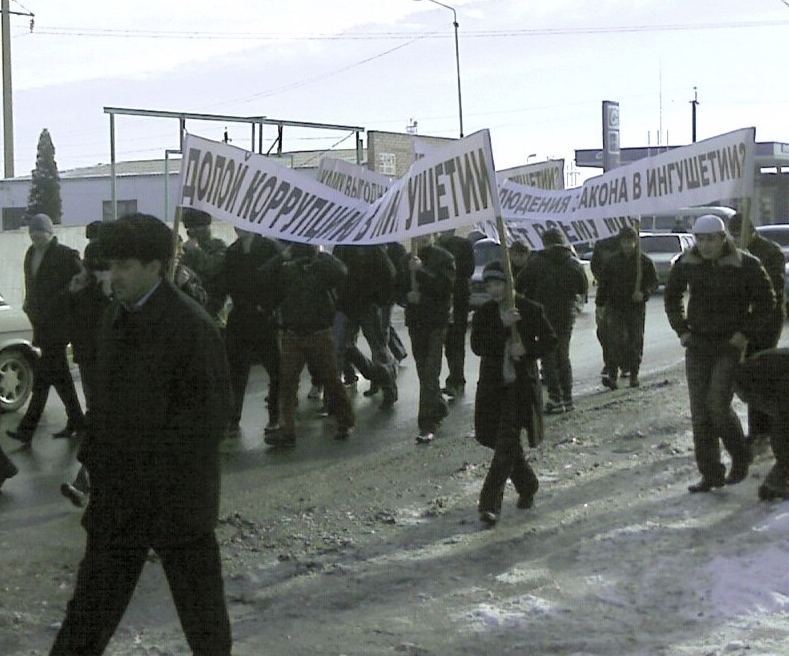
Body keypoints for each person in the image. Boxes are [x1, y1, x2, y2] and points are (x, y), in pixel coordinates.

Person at [50, 213, 233, 655]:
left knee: (202, 615)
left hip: (176, 500)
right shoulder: (115, 317)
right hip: (120, 501)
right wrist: (96, 459)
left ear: (155, 266)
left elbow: (208, 422)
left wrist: (155, 470)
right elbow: (106, 403)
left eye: (125, 266)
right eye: (111, 266)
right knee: (89, 612)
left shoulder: (191, 327)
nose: (114, 276)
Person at [664, 214, 775, 493]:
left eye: (710, 239)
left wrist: (745, 333)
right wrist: (682, 330)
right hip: (698, 344)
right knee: (700, 413)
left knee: (717, 405)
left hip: (728, 345)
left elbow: (766, 301)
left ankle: (740, 455)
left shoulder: (745, 264)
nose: (705, 245)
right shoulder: (686, 263)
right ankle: (710, 472)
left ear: (722, 238)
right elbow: (671, 296)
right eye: (700, 239)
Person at [471, 261, 557, 526]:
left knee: (506, 442)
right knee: (503, 443)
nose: (494, 290)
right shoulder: (485, 313)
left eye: (498, 283)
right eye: (489, 285)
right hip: (493, 387)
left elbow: (550, 340)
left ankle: (489, 504)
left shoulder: (529, 309)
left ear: (508, 284)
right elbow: (478, 346)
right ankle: (528, 484)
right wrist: (501, 324)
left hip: (519, 388)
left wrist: (527, 350)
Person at [260, 242, 354, 446]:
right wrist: (282, 257)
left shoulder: (321, 268)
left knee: (331, 379)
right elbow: (263, 275)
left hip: (318, 331)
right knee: (287, 383)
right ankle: (287, 431)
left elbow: (342, 271)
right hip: (293, 332)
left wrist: (321, 255)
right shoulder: (288, 270)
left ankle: (345, 421)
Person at [6, 213, 85, 444]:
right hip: (40, 322)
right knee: (59, 376)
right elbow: (30, 283)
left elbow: (81, 280)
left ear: (50, 234)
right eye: (33, 236)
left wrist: (63, 299)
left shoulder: (65, 255)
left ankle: (26, 430)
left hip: (58, 325)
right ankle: (77, 421)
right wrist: (28, 304)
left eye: (40, 236)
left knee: (43, 378)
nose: (36, 240)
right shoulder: (31, 253)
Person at [214, 228, 282, 438]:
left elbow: (280, 280)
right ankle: (233, 420)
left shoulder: (269, 247)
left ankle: (274, 416)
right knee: (236, 371)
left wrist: (268, 306)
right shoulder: (233, 251)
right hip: (240, 317)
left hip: (263, 317)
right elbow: (224, 284)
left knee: (275, 369)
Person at [60, 241, 113, 508]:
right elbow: (78, 323)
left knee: (104, 426)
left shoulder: (118, 294)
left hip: (117, 371)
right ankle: (84, 484)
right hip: (96, 364)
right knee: (101, 424)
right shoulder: (87, 291)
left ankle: (86, 484)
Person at [728, 212, 785, 443]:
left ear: (750, 231)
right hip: (744, 321)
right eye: (732, 235)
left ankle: (762, 431)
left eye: (738, 234)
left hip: (767, 321)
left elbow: (775, 286)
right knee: (748, 374)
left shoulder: (770, 252)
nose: (735, 239)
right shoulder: (732, 252)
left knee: (759, 370)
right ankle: (759, 429)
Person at [516, 228, 588, 413]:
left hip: (543, 314)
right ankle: (568, 398)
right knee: (563, 356)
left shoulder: (536, 262)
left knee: (548, 357)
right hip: (565, 314)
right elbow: (582, 287)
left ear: (544, 242)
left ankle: (556, 398)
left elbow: (519, 285)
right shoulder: (573, 263)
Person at [397, 237, 455, 443]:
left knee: (430, 372)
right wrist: (406, 297)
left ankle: (427, 423)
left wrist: (421, 272)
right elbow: (398, 287)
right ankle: (438, 406)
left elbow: (446, 288)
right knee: (424, 373)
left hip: (435, 324)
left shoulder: (444, 258)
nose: (422, 239)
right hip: (416, 323)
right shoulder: (406, 259)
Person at [333, 244, 398, 409]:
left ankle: (388, 387)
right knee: (343, 348)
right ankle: (334, 398)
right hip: (348, 304)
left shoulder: (371, 248)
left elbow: (389, 275)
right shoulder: (343, 247)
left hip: (366, 305)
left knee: (378, 348)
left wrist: (380, 300)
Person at [595, 226, 658, 389]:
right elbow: (604, 284)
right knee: (614, 341)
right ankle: (612, 375)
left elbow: (653, 282)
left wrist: (644, 293)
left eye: (631, 241)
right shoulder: (612, 261)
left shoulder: (643, 261)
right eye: (624, 241)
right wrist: (600, 305)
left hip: (635, 308)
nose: (627, 245)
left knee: (635, 341)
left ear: (636, 242)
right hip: (615, 307)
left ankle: (634, 375)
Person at [735, 348, 789, 500]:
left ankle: (779, 477)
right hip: (751, 380)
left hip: (761, 375)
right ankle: (777, 481)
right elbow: (783, 425)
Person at [437, 233, 475, 399]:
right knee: (447, 341)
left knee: (455, 340)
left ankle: (456, 380)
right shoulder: (435, 246)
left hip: (458, 298)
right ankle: (454, 379)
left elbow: (468, 270)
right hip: (441, 298)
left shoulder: (464, 244)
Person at [180, 208, 227, 315]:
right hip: (191, 303)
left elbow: (212, 267)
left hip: (213, 304)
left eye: (196, 229)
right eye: (189, 229)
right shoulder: (187, 249)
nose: (191, 233)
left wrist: (196, 250)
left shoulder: (218, 246)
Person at [589, 234, 620, 382]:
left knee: (622, 334)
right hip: (605, 294)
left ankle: (623, 363)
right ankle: (609, 363)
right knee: (603, 331)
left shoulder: (626, 242)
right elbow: (594, 265)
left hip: (623, 297)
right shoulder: (601, 244)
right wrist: (603, 278)